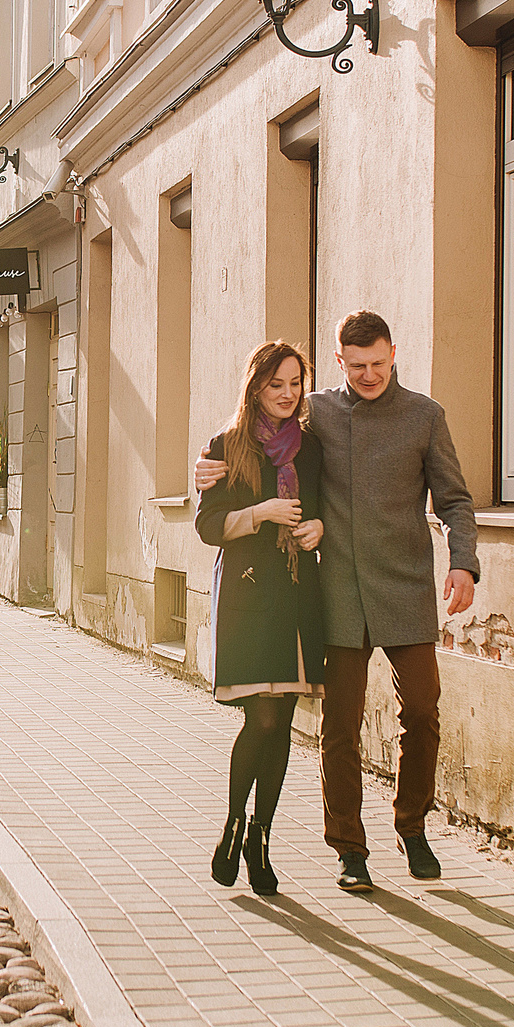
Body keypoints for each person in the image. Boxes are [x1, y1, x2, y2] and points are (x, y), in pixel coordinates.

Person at [195, 310, 477, 887]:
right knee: (340, 725)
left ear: (393, 354)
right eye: (357, 365)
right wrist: (200, 467)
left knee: (422, 711)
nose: (368, 375)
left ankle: (413, 825)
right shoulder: (315, 411)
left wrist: (465, 562)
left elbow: (454, 499)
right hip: (337, 592)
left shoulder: (425, 416)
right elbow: (250, 435)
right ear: (340, 360)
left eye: (378, 363)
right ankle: (349, 849)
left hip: (403, 588)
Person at [195, 341, 325, 897]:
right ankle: (231, 827)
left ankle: (261, 837)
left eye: (296, 383)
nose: (288, 394)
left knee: (284, 723)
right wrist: (260, 513)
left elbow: (328, 509)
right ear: (255, 387)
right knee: (263, 720)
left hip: (297, 596)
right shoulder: (227, 446)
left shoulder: (312, 448)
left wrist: (321, 530)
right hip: (249, 599)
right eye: (278, 384)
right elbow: (207, 526)